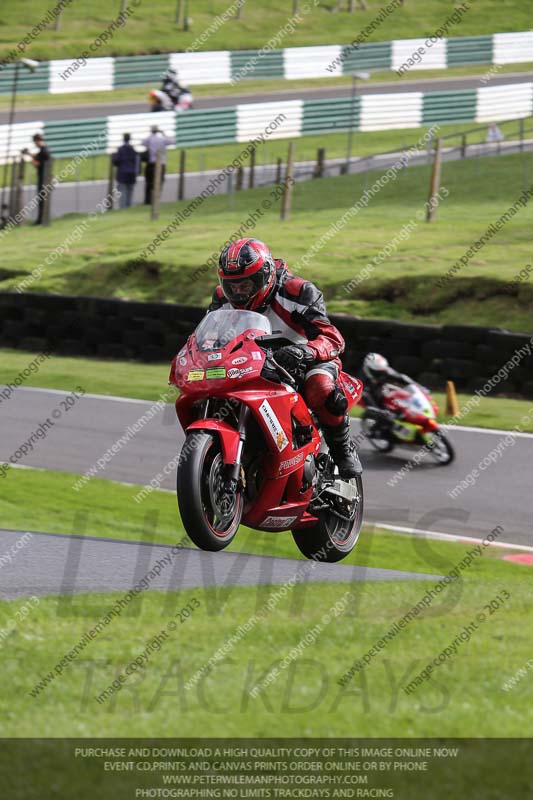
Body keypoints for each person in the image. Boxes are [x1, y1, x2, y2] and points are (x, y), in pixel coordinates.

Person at [208, 238, 362, 478]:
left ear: (265, 276)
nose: (238, 292)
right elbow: (208, 338)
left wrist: (305, 351)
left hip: (306, 361)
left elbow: (332, 338)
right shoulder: (221, 299)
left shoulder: (297, 292)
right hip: (252, 364)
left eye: (246, 285)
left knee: (320, 387)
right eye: (232, 285)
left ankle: (343, 450)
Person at [141, 125, 175, 205]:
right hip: (161, 164)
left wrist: (150, 135)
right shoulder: (162, 139)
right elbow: (173, 141)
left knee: (149, 183)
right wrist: (164, 134)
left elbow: (142, 143)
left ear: (151, 131)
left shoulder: (149, 139)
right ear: (158, 131)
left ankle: (148, 201)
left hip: (150, 164)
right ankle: (156, 199)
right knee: (160, 182)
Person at [112, 133, 138, 208]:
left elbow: (116, 161)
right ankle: (129, 205)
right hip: (132, 173)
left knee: (122, 191)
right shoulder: (133, 149)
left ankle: (123, 207)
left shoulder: (120, 149)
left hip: (122, 173)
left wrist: (114, 157)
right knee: (130, 191)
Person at [31, 133, 50, 225]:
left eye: (35, 142)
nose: (35, 144)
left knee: (42, 200)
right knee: (42, 200)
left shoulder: (43, 151)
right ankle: (41, 219)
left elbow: (38, 164)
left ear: (37, 141)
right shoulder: (44, 150)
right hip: (45, 178)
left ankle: (41, 220)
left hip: (43, 179)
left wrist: (33, 161)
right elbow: (38, 157)